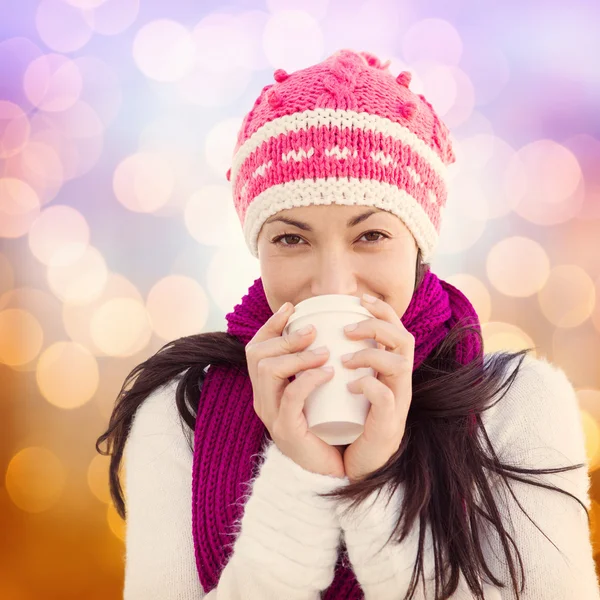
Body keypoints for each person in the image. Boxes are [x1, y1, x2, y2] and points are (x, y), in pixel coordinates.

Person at [96, 49, 600, 599]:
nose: (334, 284)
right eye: (292, 238)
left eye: (370, 236)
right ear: (257, 248)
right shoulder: (180, 412)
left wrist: (374, 485)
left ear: (418, 246)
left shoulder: (518, 405)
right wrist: (301, 474)